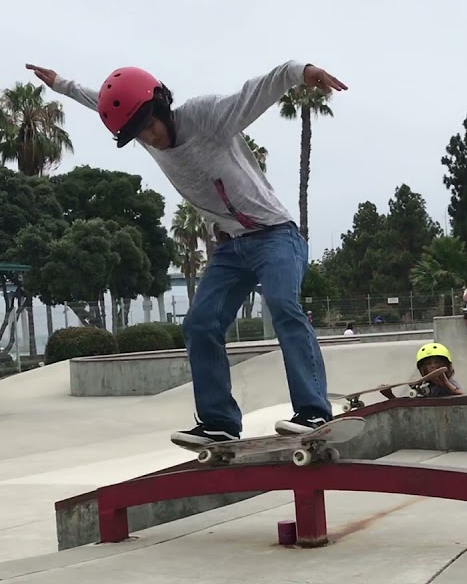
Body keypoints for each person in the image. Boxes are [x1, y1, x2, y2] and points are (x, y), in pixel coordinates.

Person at [26, 59, 348, 447]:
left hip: (275, 236)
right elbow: (100, 100)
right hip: (231, 248)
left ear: (162, 107)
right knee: (199, 324)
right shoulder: (143, 133)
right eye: (138, 134)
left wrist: (300, 71)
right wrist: (60, 83)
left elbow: (255, 91)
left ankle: (313, 411)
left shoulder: (206, 116)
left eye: (150, 126)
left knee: (282, 303)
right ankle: (219, 422)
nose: (150, 138)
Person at [380, 343, 463, 399]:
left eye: (437, 362)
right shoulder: (426, 388)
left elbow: (462, 395)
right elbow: (406, 410)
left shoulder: (451, 383)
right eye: (428, 364)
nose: (433, 366)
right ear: (424, 370)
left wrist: (446, 383)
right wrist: (390, 396)